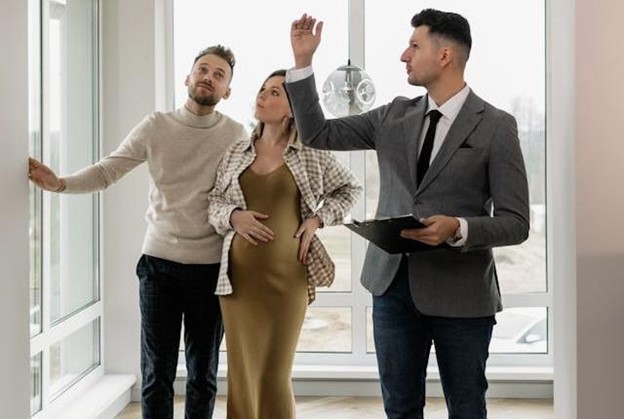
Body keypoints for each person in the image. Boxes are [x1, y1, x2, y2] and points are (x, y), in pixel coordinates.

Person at [287, 10, 530, 419]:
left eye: (414, 46)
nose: (404, 55)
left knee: (467, 406)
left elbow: (517, 222)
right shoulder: (391, 116)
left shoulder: (495, 127)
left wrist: (459, 228)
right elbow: (317, 133)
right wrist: (302, 64)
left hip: (463, 295)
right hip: (392, 289)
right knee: (399, 408)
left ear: (445, 55)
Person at [27, 45, 247, 419]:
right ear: (188, 77)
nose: (209, 77)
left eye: (219, 74)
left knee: (203, 374)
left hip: (211, 269)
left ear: (227, 90)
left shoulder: (235, 134)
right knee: (156, 372)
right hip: (159, 266)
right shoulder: (157, 126)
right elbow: (106, 170)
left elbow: (248, 191)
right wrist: (60, 183)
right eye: (203, 69)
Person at [207, 69, 361, 419]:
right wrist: (233, 216)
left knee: (275, 373)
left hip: (287, 280)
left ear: (292, 107)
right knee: (243, 374)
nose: (263, 95)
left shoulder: (309, 153)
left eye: (275, 92)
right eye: (262, 89)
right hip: (237, 283)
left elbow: (350, 189)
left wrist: (317, 219)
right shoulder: (235, 152)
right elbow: (214, 202)